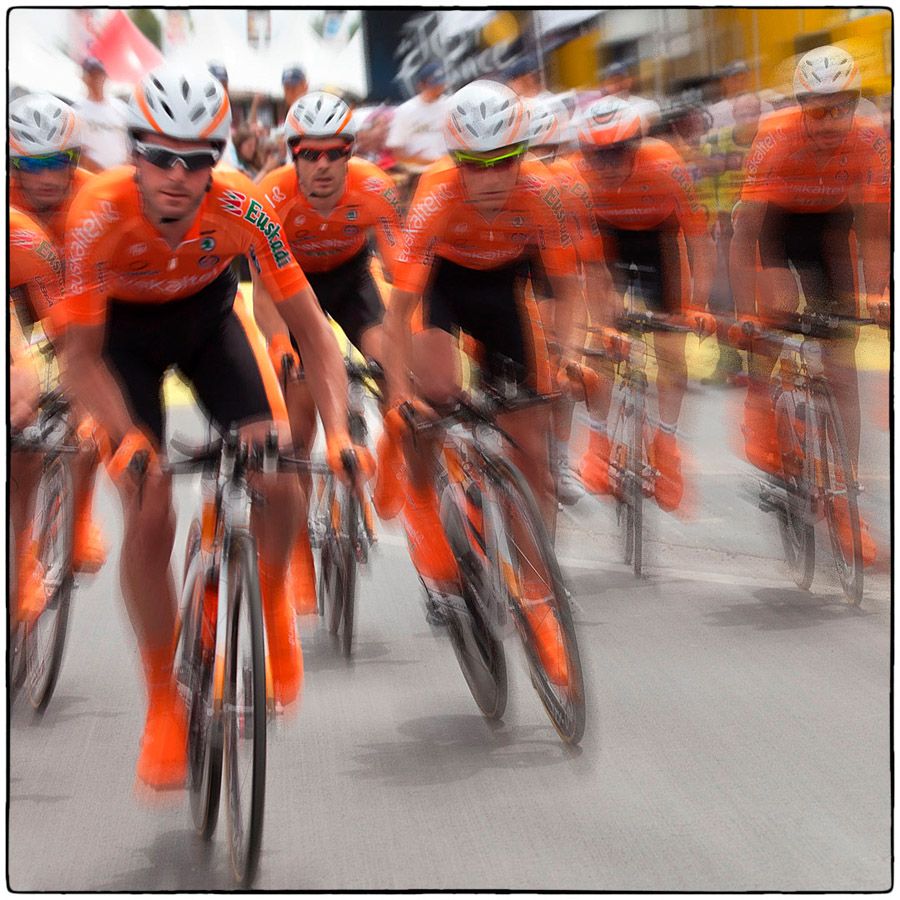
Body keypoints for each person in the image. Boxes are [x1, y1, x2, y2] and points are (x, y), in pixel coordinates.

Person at [57, 63, 357, 791]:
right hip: (120, 342)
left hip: (208, 323)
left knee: (280, 471)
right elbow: (79, 361)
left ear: (215, 164)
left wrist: (343, 435)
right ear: (134, 152)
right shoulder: (95, 213)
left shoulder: (246, 207)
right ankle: (164, 696)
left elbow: (314, 336)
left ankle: (276, 600)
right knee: (151, 507)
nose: (177, 176)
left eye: (196, 161)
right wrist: (126, 439)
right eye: (160, 156)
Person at [381, 80, 589, 682]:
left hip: (503, 293)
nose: (492, 178)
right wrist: (399, 397)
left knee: (534, 454)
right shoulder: (434, 195)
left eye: (505, 161)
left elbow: (570, 292)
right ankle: (425, 506)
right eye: (476, 166)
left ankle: (538, 595)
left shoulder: (544, 194)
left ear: (523, 154)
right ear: (455, 162)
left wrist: (571, 356)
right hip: (442, 290)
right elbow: (399, 313)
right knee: (437, 395)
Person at [729, 45, 890, 564]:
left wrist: (879, 293)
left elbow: (874, 228)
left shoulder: (871, 138)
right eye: (816, 109)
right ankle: (762, 405)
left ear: (855, 103)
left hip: (830, 229)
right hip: (775, 229)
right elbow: (745, 232)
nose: (828, 120)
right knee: (774, 311)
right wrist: (747, 314)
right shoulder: (775, 135)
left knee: (842, 368)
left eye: (839, 106)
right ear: (800, 106)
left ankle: (844, 504)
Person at [254, 91, 402, 613]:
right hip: (291, 291)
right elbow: (264, 292)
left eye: (334, 152)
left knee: (390, 359)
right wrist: (278, 344)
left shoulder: (376, 187)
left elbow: (403, 276)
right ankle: (297, 550)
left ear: (350, 152)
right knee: (296, 425)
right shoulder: (269, 197)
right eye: (309, 154)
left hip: (350, 280)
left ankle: (392, 446)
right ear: (292, 154)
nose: (322, 164)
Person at [572, 96, 716, 512]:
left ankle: (667, 445)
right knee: (600, 340)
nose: (608, 165)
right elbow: (591, 267)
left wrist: (697, 305)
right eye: (597, 156)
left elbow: (697, 240)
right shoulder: (577, 180)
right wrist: (602, 322)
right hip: (609, 243)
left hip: (660, 241)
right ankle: (598, 438)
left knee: (671, 349)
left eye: (617, 152)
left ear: (635, 146)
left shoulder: (666, 165)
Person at [9, 92, 108, 575]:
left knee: (87, 421)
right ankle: (21, 557)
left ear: (76, 161)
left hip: (71, 292)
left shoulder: (95, 198)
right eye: (33, 164)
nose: (47, 177)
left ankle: (82, 518)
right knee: (21, 426)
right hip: (14, 296)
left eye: (59, 162)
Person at [9, 209, 68, 627]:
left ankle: (23, 555)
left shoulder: (23, 237)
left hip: (23, 310)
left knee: (23, 423)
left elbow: (63, 337)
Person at [701, 91, 763, 385]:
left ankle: (758, 367)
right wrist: (713, 219)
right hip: (726, 227)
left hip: (761, 226)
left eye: (754, 112)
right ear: (735, 115)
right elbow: (705, 183)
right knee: (720, 296)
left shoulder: (767, 139)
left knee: (758, 298)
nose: (749, 118)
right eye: (743, 113)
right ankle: (727, 360)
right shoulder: (717, 143)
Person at [385, 61, 448, 169]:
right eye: (434, 84)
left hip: (447, 170)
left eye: (441, 84)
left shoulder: (450, 105)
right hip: (417, 172)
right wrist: (427, 161)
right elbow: (397, 150)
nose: (439, 88)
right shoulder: (405, 111)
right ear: (421, 85)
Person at [72, 56, 129, 171]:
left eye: (100, 74)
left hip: (121, 173)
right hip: (92, 175)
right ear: (84, 78)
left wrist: (124, 167)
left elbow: (131, 142)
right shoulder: (76, 111)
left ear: (105, 76)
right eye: (92, 75)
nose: (97, 78)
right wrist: (99, 171)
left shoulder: (121, 108)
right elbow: (78, 150)